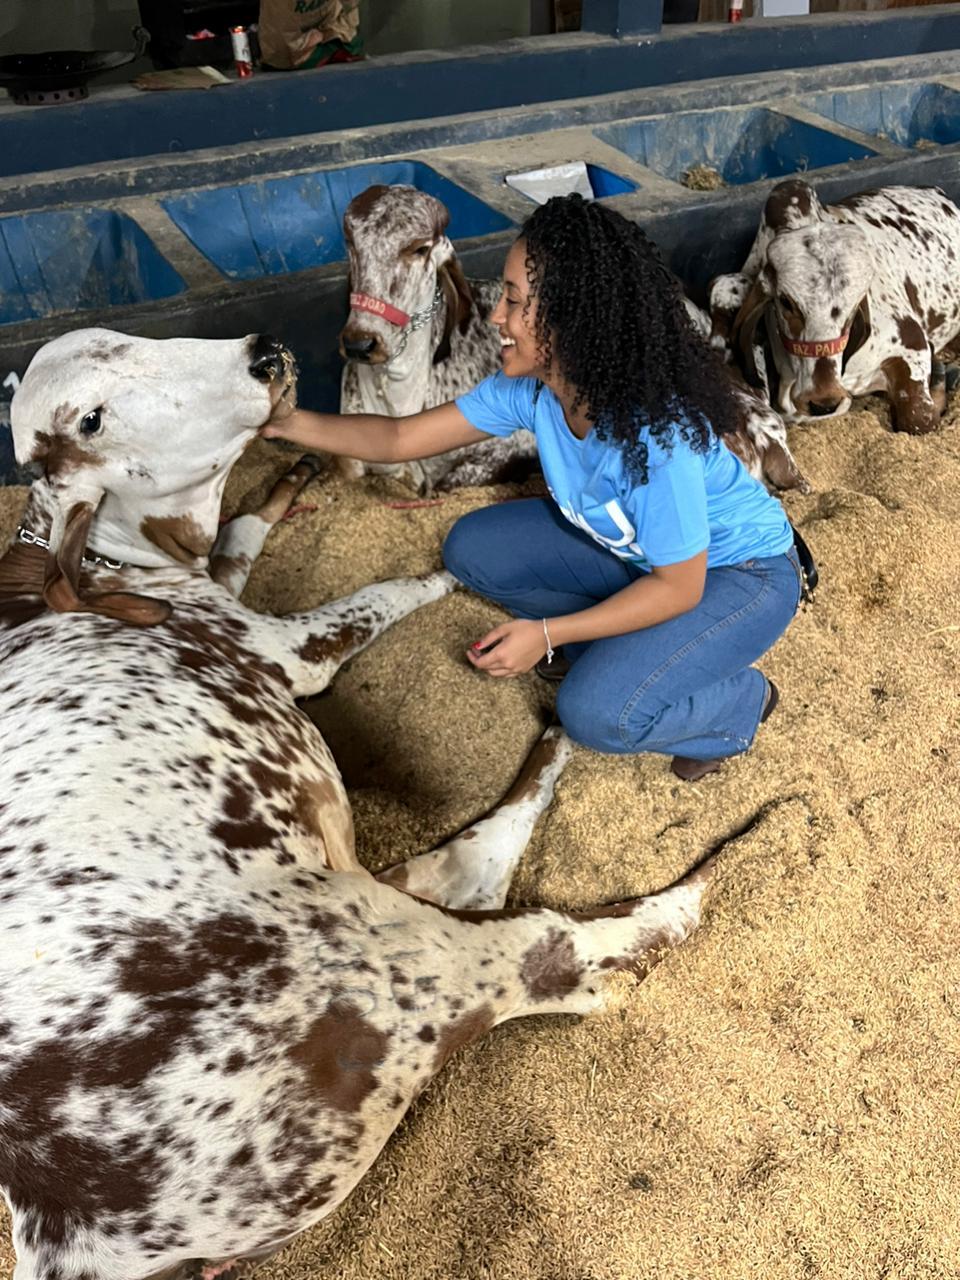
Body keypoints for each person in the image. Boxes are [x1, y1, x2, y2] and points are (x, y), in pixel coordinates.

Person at [262, 194, 808, 781]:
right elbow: (399, 439)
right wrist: (288, 423)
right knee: (474, 548)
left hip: (739, 576)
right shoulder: (535, 390)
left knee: (595, 712)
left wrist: (547, 633)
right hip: (644, 557)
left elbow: (679, 588)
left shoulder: (654, 437)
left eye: (516, 302)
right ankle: (607, 650)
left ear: (572, 320)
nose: (497, 316)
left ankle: (742, 705)